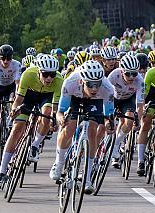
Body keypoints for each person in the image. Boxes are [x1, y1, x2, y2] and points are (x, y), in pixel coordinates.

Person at [0, 55, 63, 188]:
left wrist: (54, 121)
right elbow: (18, 100)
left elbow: (55, 107)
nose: (49, 78)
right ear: (38, 72)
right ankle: (1, 172)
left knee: (47, 114)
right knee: (17, 129)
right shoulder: (28, 75)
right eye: (45, 74)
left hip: (46, 98)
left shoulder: (59, 80)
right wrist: (14, 110)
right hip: (28, 97)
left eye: (52, 75)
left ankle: (35, 145)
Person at [49, 60, 115, 194]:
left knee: (92, 131)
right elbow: (60, 111)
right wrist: (61, 118)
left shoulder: (107, 88)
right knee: (69, 128)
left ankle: (87, 178)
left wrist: (108, 124)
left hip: (95, 102)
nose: (95, 88)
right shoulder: (70, 82)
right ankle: (59, 163)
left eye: (97, 84)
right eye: (90, 85)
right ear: (82, 81)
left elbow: (109, 115)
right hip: (74, 98)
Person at [107, 53, 145, 169]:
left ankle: (116, 144)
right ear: (122, 71)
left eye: (134, 73)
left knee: (129, 122)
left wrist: (137, 119)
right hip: (113, 98)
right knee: (107, 122)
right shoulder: (114, 75)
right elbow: (104, 95)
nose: (131, 77)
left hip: (128, 99)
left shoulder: (139, 80)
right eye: (128, 74)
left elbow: (140, 104)